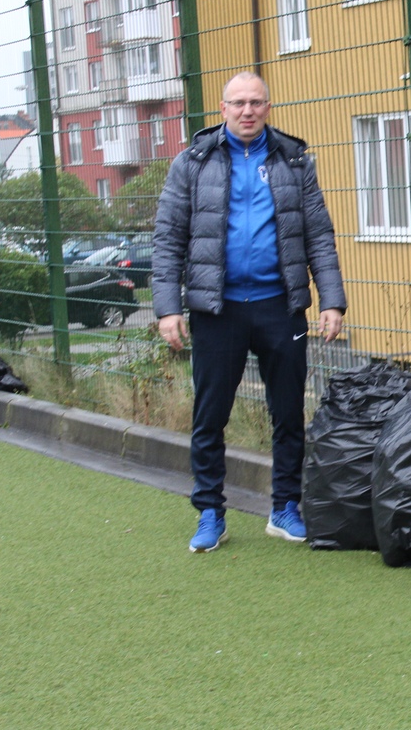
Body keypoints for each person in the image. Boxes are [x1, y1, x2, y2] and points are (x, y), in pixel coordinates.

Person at [153, 71, 347, 552]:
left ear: (268, 107)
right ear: (222, 109)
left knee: (287, 412)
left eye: (256, 102)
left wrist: (333, 299)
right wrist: (167, 309)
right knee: (210, 414)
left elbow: (319, 235)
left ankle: (284, 508)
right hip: (216, 311)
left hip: (280, 308)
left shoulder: (295, 161)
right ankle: (210, 513)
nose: (247, 111)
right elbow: (168, 240)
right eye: (238, 103)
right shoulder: (191, 163)